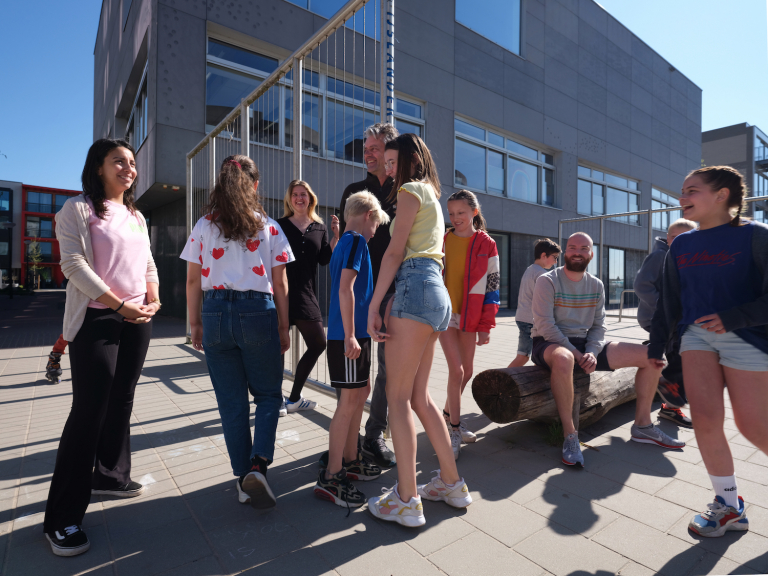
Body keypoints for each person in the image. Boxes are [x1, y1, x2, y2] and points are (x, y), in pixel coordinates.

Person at [44, 139, 158, 557]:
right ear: (98, 168)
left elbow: (147, 262)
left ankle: (110, 476)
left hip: (136, 319)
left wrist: (153, 297)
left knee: (122, 399)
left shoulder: (136, 215)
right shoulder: (77, 209)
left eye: (132, 162)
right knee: (89, 411)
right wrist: (120, 305)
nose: (129, 168)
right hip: (97, 319)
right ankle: (61, 519)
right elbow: (72, 265)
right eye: (118, 162)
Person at [649, 166, 768, 538]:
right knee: (704, 420)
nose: (682, 197)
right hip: (696, 337)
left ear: (721, 195)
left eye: (691, 190)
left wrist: (734, 318)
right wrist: (656, 345)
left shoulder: (757, 236)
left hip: (747, 337)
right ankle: (729, 506)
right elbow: (670, 300)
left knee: (753, 425)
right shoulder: (681, 244)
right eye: (682, 191)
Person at [366, 133, 472, 528]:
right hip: (434, 290)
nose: (388, 169)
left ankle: (407, 500)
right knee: (419, 398)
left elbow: (395, 251)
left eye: (393, 162)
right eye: (386, 164)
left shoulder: (411, 190)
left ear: (412, 160)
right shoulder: (431, 194)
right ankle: (452, 484)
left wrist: (374, 304)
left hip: (415, 285)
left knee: (397, 398)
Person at [181, 154, 293, 510]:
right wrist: (283, 326)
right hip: (257, 311)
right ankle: (258, 465)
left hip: (214, 311)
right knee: (268, 395)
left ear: (221, 183)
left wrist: (195, 323)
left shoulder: (204, 225)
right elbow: (281, 284)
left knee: (231, 403)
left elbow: (192, 280)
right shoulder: (269, 227)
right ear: (255, 185)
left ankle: (243, 478)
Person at [531, 232, 685, 468]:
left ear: (591, 254)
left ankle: (642, 426)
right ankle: (570, 436)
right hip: (550, 343)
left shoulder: (596, 284)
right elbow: (545, 326)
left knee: (653, 357)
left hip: (586, 344)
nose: (577, 252)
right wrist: (577, 354)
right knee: (564, 359)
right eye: (572, 247)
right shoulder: (547, 280)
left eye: (584, 248)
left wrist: (592, 352)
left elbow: (598, 326)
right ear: (565, 251)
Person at [314, 192, 388, 508]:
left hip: (355, 334)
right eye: (376, 226)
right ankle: (332, 476)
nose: (375, 233)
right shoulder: (356, 241)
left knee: (360, 393)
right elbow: (345, 289)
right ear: (369, 215)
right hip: (349, 337)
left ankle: (351, 458)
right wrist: (349, 336)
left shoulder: (344, 241)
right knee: (348, 402)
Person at [336, 122, 399, 468]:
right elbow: (342, 242)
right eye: (366, 148)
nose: (368, 154)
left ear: (390, 151)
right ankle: (346, 438)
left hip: (391, 293)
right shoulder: (354, 192)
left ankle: (375, 433)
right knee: (354, 371)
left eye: (375, 148)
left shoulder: (403, 192)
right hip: (357, 295)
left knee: (388, 369)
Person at [438, 190, 499, 459]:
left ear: (474, 212)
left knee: (468, 371)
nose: (455, 218)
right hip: (444, 314)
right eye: (451, 213)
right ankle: (454, 429)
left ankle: (446, 414)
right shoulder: (443, 239)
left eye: (461, 212)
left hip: (470, 315)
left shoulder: (487, 244)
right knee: (457, 370)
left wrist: (486, 324)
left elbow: (493, 286)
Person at [277, 180, 338, 415]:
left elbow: (323, 260)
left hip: (305, 294)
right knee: (278, 348)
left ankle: (294, 398)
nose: (299, 198)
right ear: (289, 199)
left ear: (310, 198)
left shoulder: (319, 228)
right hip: (279, 292)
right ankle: (275, 399)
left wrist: (335, 237)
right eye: (295, 194)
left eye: (303, 194)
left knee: (318, 343)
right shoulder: (279, 225)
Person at [635, 218, 696, 428]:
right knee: (680, 352)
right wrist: (665, 307)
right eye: (675, 238)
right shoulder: (660, 255)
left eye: (685, 238)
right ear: (668, 239)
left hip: (674, 320)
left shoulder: (686, 258)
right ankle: (669, 390)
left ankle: (670, 404)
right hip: (656, 318)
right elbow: (642, 285)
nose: (679, 242)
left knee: (682, 352)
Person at [508, 238, 560, 368]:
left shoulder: (530, 269)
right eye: (554, 257)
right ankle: (500, 379)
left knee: (534, 355)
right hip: (531, 321)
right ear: (544, 255)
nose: (556, 262)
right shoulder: (542, 274)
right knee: (523, 356)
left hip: (524, 318)